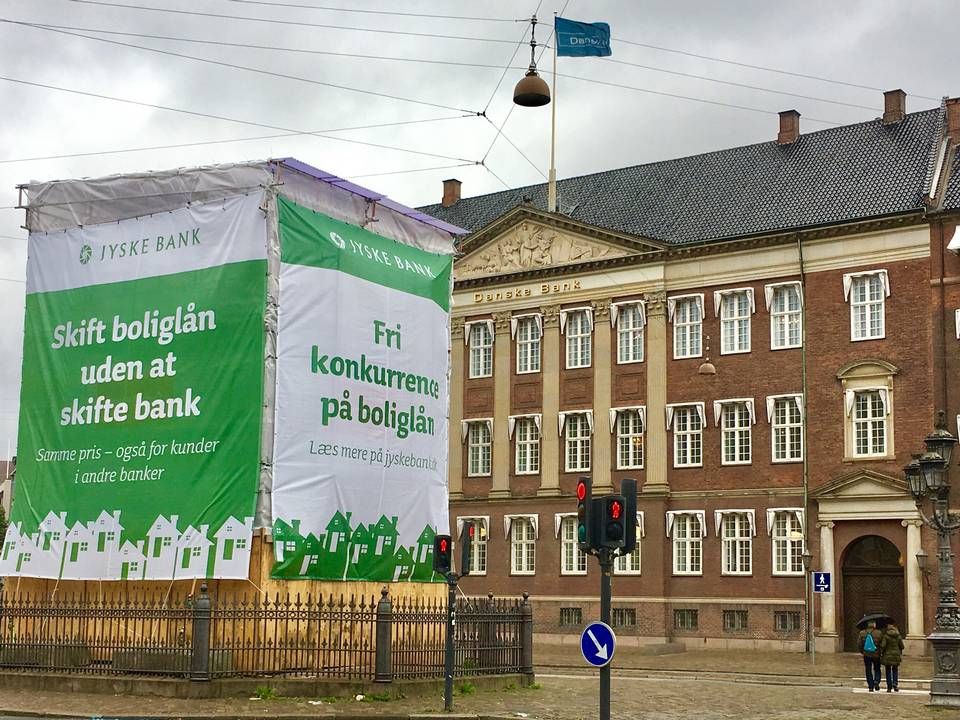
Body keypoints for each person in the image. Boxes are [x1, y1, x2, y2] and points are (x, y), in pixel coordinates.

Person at [857, 620, 883, 691]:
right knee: (877, 668)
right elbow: (882, 644)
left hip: (867, 654)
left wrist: (863, 651)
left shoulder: (862, 633)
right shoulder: (879, 633)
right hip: (876, 654)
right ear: (874, 625)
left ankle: (870, 686)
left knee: (868, 670)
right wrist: (880, 651)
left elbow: (859, 644)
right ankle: (876, 681)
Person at [880, 622, 905, 692]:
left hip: (887, 656)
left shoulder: (886, 636)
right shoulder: (898, 636)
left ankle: (889, 686)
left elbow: (883, 646)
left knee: (888, 671)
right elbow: (902, 646)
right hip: (896, 656)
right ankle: (895, 683)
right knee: (895, 670)